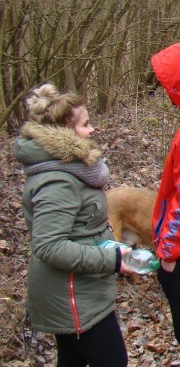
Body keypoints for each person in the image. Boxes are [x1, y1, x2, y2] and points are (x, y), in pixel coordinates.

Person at [16, 83, 131, 367]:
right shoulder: (57, 180)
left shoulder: (70, 169)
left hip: (80, 290)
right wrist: (112, 258)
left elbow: (81, 228)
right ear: (63, 134)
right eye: (85, 124)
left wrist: (108, 244)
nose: (92, 130)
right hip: (71, 296)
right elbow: (50, 246)